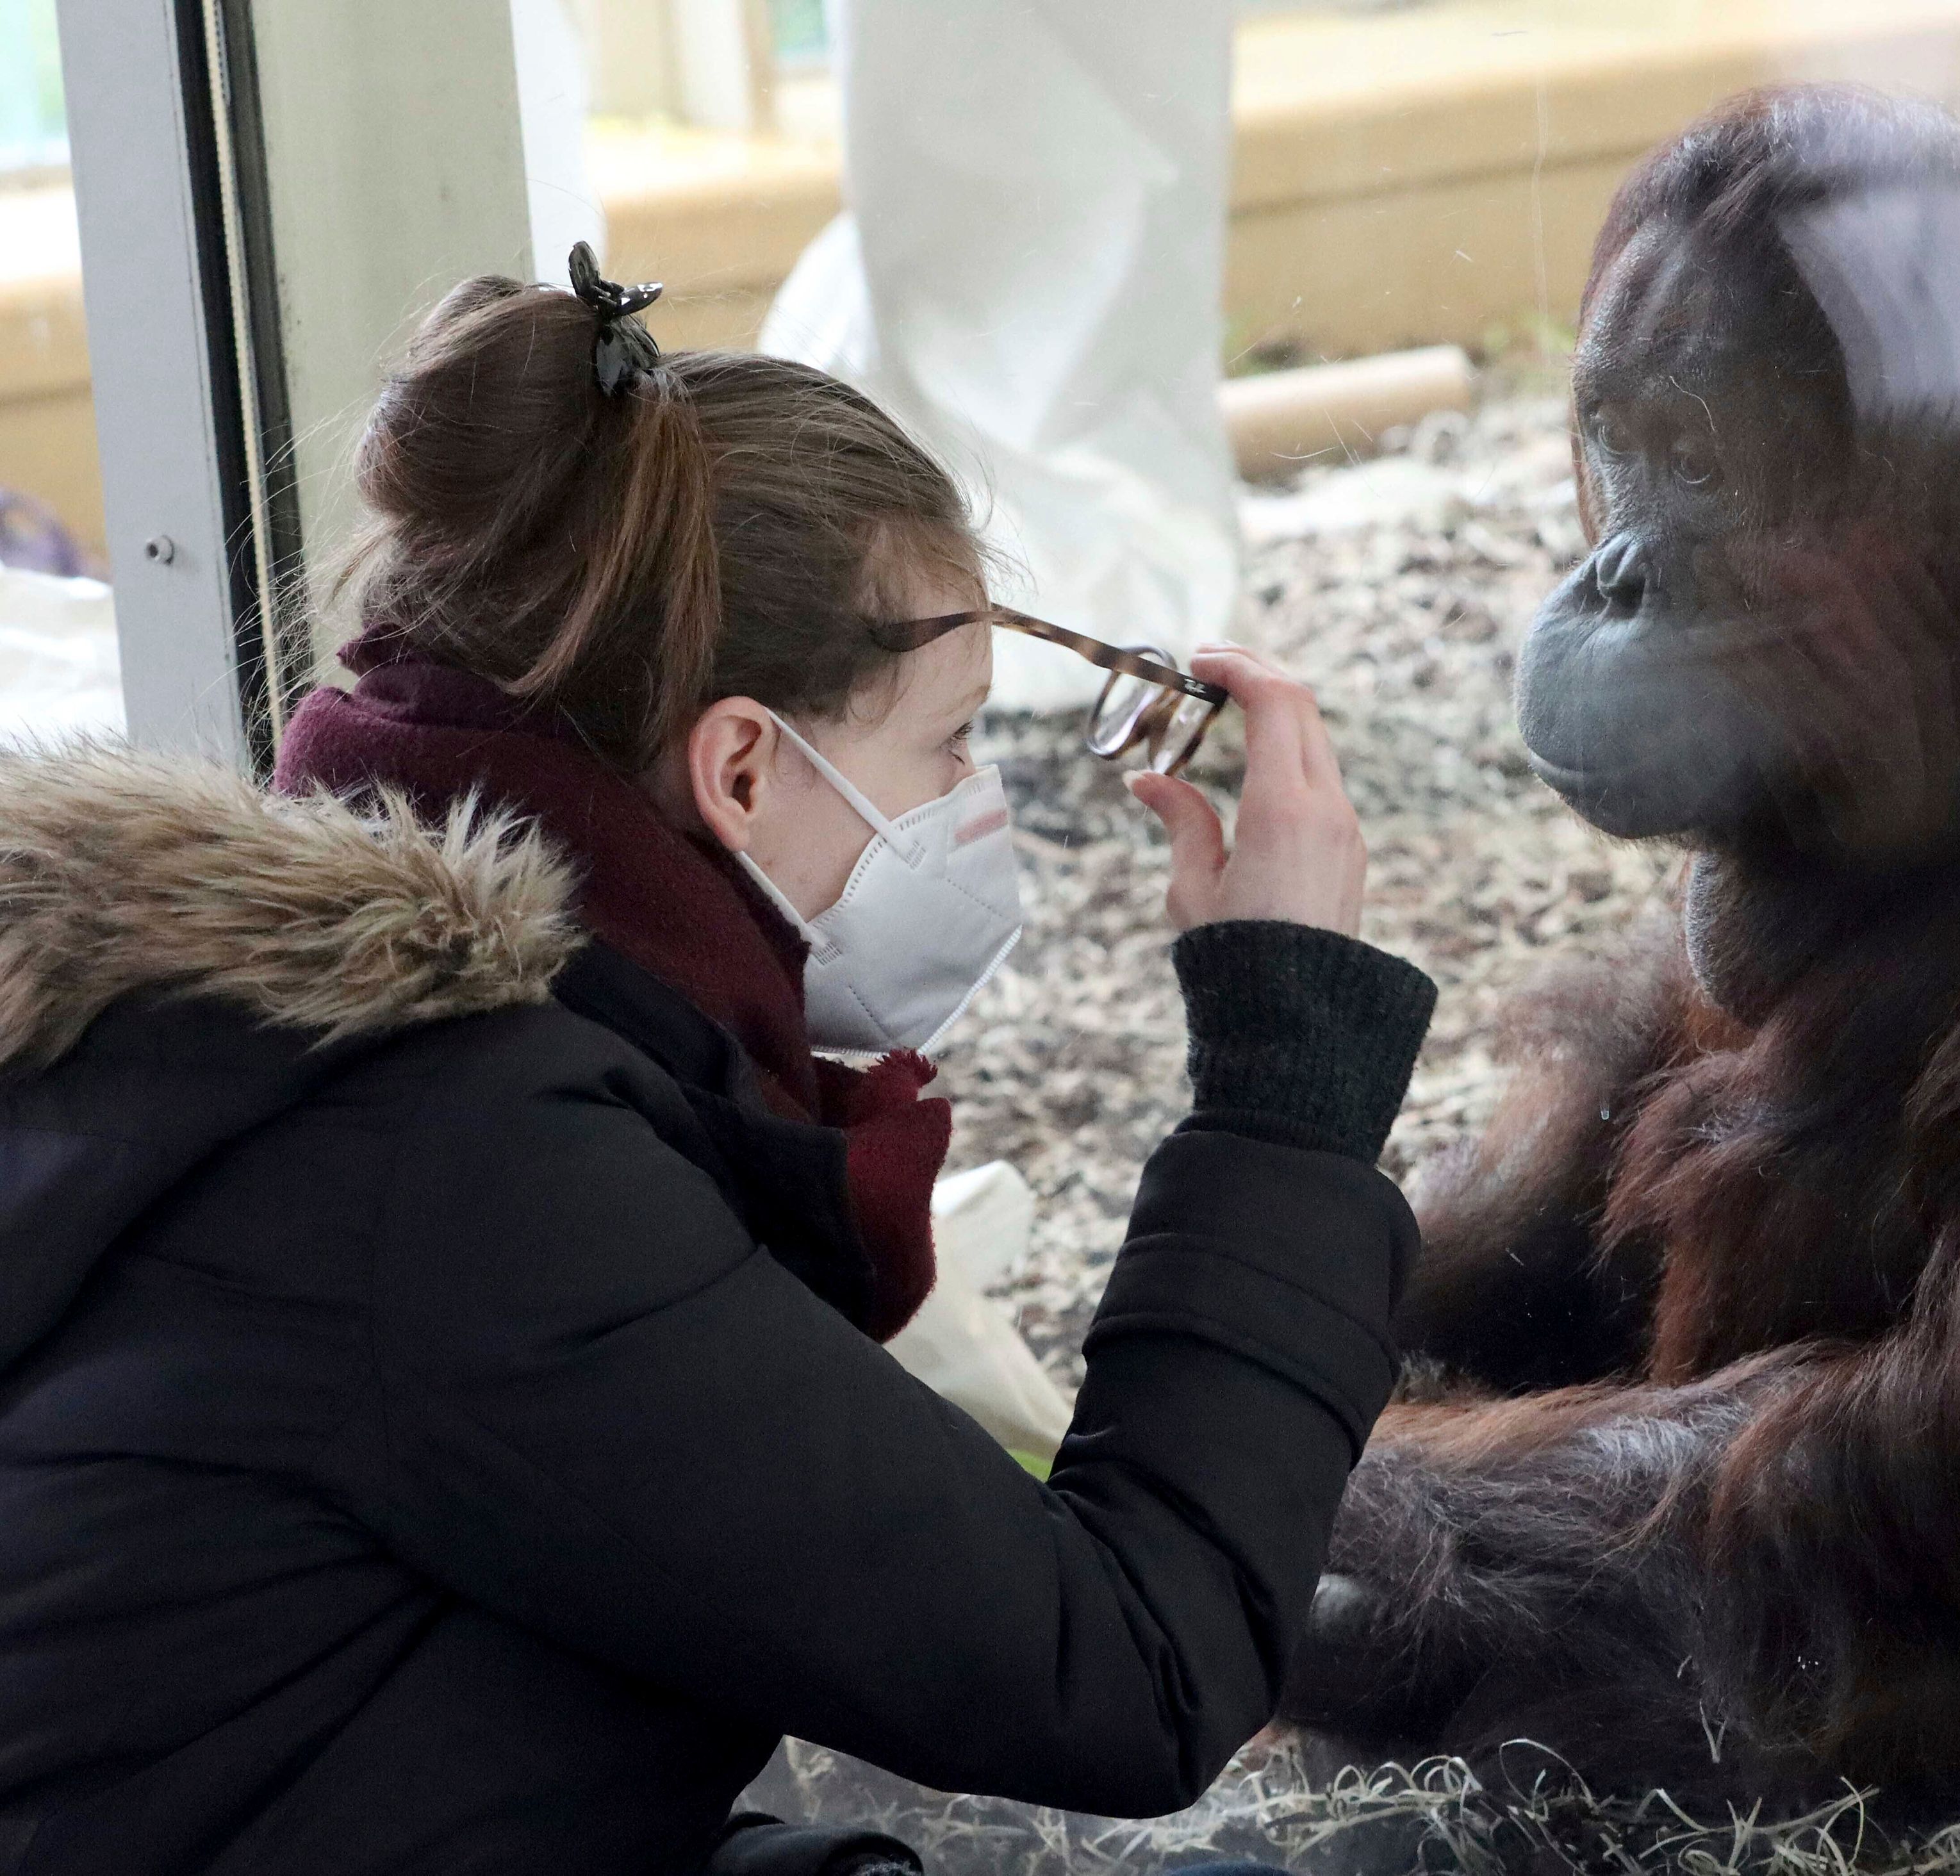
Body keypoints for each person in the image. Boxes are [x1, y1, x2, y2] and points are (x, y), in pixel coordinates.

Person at [0, 251, 1435, 1874]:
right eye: (949, 743)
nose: (975, 805)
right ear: (742, 765)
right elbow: (1124, 1675)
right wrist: (1279, 1084)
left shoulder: (289, 1036)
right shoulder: (471, 1165)